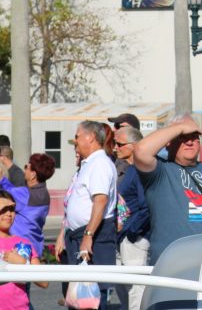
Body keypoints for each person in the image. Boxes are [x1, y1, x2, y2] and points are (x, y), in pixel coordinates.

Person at [133, 114, 202, 265]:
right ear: (168, 141)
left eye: (195, 136)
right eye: (183, 136)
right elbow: (140, 150)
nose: (190, 142)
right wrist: (179, 128)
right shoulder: (161, 172)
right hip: (176, 265)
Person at [56, 120, 118, 308]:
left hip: (94, 237)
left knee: (92, 299)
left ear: (90, 137)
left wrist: (88, 235)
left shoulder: (99, 163)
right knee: (78, 299)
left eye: (77, 136)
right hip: (79, 235)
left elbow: (100, 200)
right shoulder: (88, 164)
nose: (75, 141)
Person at [0, 153, 55, 251]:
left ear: (33, 174)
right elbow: (13, 193)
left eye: (26, 167)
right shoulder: (44, 193)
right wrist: (2, 179)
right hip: (35, 246)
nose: (24, 170)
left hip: (20, 248)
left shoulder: (25, 195)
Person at [114, 125, 150, 310]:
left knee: (136, 289)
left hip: (134, 240)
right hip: (124, 238)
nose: (115, 148)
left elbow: (146, 207)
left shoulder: (140, 170)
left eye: (120, 144)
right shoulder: (130, 170)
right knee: (124, 289)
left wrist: (131, 232)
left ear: (135, 145)